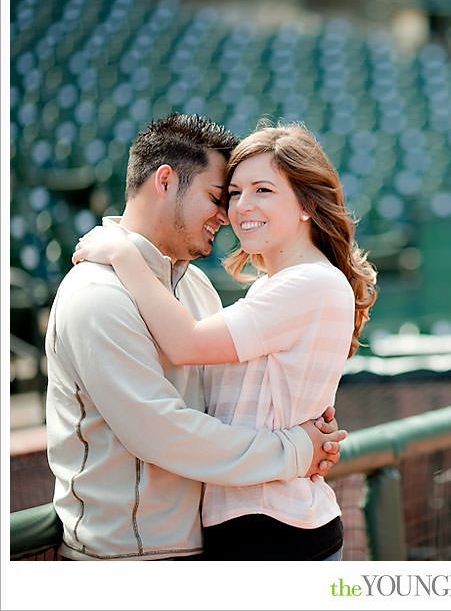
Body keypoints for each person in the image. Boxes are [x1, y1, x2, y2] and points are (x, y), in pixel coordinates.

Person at [46, 113, 347, 561]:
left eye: (259, 191)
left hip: (225, 541)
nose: (228, 214)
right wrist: (295, 449)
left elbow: (222, 388)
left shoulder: (195, 286)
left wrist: (303, 418)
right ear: (165, 182)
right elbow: (162, 431)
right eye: (220, 196)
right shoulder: (97, 293)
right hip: (133, 560)